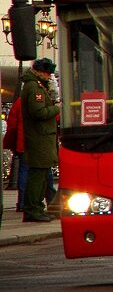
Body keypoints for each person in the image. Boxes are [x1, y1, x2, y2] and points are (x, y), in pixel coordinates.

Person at [20, 58, 60, 222]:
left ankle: (37, 208)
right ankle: (32, 209)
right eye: (47, 73)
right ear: (39, 71)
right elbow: (39, 112)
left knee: (42, 175)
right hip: (39, 137)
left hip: (42, 137)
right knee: (37, 175)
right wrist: (56, 107)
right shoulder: (34, 88)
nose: (49, 76)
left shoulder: (37, 86)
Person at [2, 96, 26, 211]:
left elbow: (12, 124)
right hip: (31, 143)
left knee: (23, 170)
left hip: (21, 143)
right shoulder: (33, 99)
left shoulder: (19, 102)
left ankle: (22, 202)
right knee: (42, 172)